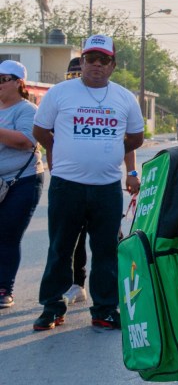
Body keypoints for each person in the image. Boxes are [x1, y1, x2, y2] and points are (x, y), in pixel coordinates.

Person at [32, 34, 145, 331]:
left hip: (106, 188)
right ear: (81, 62)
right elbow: (41, 131)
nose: (97, 64)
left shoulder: (125, 98)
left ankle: (105, 309)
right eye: (90, 58)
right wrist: (57, 150)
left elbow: (136, 138)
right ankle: (52, 307)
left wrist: (113, 154)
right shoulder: (60, 93)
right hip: (66, 185)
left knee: (106, 250)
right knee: (60, 248)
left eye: (103, 60)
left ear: (113, 65)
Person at [58, 56, 141, 307]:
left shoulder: (111, 100)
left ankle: (116, 289)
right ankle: (76, 284)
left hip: (104, 185)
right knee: (72, 239)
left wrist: (131, 172)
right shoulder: (64, 100)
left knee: (109, 240)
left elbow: (125, 141)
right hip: (70, 183)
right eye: (72, 74)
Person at [0, 60, 44, 310]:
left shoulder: (27, 110)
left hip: (23, 180)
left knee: (7, 233)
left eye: (3, 79)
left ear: (19, 83)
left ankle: (4, 288)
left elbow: (26, 141)